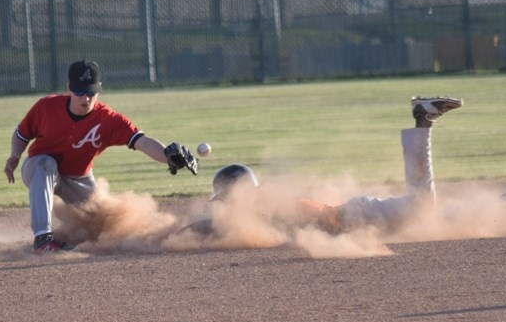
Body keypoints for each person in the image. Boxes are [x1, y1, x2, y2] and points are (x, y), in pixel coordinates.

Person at [193, 96, 464, 236]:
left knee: (422, 207)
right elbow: (212, 227)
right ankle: (502, 203)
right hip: (358, 215)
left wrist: (330, 228)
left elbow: (320, 215)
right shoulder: (258, 209)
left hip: (357, 215)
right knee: (428, 215)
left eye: (226, 198)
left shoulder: (269, 202)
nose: (226, 205)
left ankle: (424, 119)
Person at [4, 59, 198, 254]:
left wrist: (168, 156)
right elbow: (21, 134)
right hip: (38, 168)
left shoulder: (108, 119)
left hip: (78, 179)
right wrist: (14, 155)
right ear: (69, 88)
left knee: (103, 225)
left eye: (90, 93)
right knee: (46, 164)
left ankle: (64, 238)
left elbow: (143, 142)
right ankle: (43, 239)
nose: (86, 99)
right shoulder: (46, 107)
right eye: (80, 92)